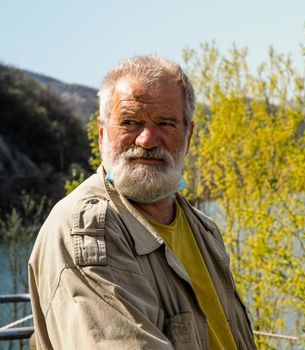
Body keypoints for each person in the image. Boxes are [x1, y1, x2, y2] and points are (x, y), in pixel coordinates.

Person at [28, 55, 256, 350]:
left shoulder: (203, 229)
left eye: (165, 123)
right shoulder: (85, 228)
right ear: (102, 133)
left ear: (188, 135)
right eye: (130, 122)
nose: (147, 139)